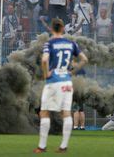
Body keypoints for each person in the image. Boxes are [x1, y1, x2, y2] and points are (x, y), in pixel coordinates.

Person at [34, 18, 88, 154]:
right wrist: (72, 71)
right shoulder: (71, 44)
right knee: (66, 113)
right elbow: (84, 59)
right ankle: (63, 147)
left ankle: (42, 146)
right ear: (63, 28)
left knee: (44, 112)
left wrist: (46, 74)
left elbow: (45, 59)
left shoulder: (49, 43)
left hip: (53, 81)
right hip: (67, 81)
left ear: (52, 29)